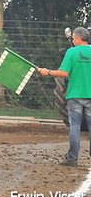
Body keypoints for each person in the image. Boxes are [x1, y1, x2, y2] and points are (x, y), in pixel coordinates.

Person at [38, 26, 91, 167]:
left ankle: (72, 159)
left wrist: (47, 72)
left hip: (74, 96)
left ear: (79, 39)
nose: (72, 40)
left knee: (75, 127)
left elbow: (63, 73)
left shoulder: (72, 52)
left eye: (73, 38)